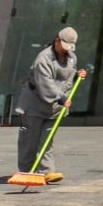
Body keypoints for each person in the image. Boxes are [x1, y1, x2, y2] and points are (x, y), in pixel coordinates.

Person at [16, 27, 84, 183]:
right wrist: (61, 98)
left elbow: (66, 77)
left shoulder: (71, 57)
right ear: (57, 40)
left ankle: (46, 171)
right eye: (64, 46)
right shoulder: (43, 59)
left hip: (55, 108)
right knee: (30, 140)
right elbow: (44, 83)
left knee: (47, 139)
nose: (66, 50)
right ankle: (26, 171)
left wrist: (77, 75)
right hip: (34, 105)